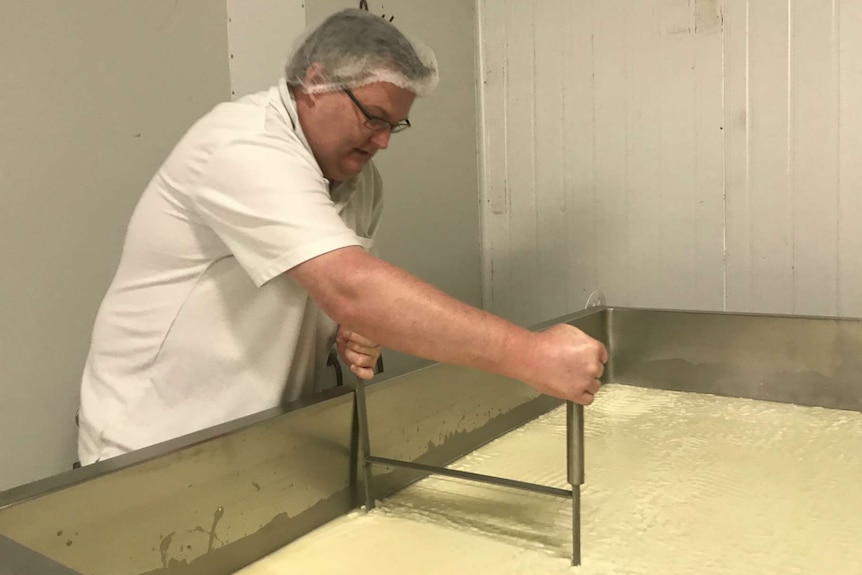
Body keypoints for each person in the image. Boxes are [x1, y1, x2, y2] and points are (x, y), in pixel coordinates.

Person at [77, 9, 607, 465]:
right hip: (150, 447)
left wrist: (354, 333)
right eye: (374, 118)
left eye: (394, 125)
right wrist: (531, 355)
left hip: (253, 445)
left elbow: (345, 297)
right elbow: (353, 287)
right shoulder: (242, 147)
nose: (382, 142)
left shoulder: (358, 183)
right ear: (313, 83)